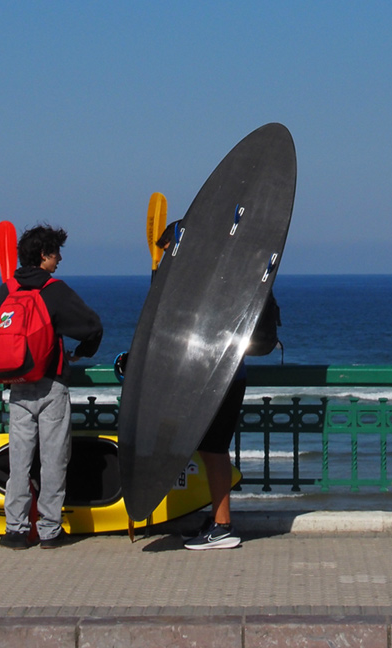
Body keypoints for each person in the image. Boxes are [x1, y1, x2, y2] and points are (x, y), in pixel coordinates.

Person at [153, 221, 280, 551]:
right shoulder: (217, 276)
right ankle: (217, 519)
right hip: (222, 378)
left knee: (213, 451)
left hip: (219, 380)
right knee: (211, 451)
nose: (168, 260)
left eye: (169, 253)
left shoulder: (206, 282)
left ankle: (223, 526)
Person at [0, 223, 103, 549]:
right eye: (56, 253)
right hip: (51, 385)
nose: (60, 259)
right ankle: (49, 531)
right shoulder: (54, 290)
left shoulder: (6, 290)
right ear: (45, 255)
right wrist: (81, 353)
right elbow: (92, 326)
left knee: (19, 460)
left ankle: (16, 531)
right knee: (53, 459)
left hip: (18, 386)